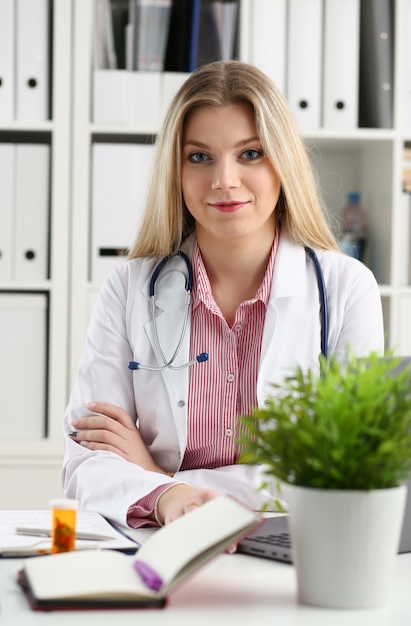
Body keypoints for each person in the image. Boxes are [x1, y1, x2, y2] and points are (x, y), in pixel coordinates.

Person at [62, 61, 384, 529]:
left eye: (250, 154)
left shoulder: (345, 288)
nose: (224, 180)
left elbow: (351, 471)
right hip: (159, 550)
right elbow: (85, 461)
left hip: (297, 552)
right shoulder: (129, 288)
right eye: (199, 157)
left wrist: (163, 483)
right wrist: (170, 497)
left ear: (282, 162)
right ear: (175, 170)